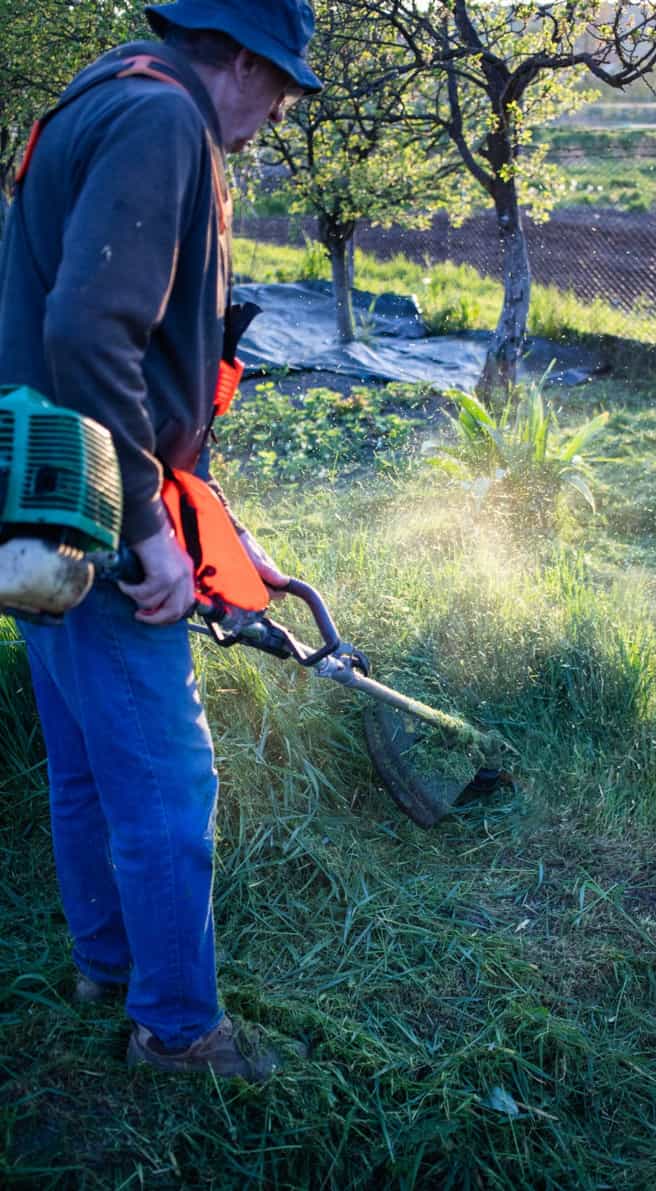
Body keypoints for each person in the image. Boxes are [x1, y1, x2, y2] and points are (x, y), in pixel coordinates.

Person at [0, 0, 322, 1080]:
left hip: (44, 501)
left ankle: (106, 965)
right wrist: (150, 536)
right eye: (277, 84)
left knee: (88, 763)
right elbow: (90, 333)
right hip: (92, 514)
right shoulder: (162, 121)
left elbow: (150, 366)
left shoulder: (107, 90)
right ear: (232, 57)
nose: (275, 112)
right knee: (168, 787)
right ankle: (180, 1031)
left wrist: (212, 532)